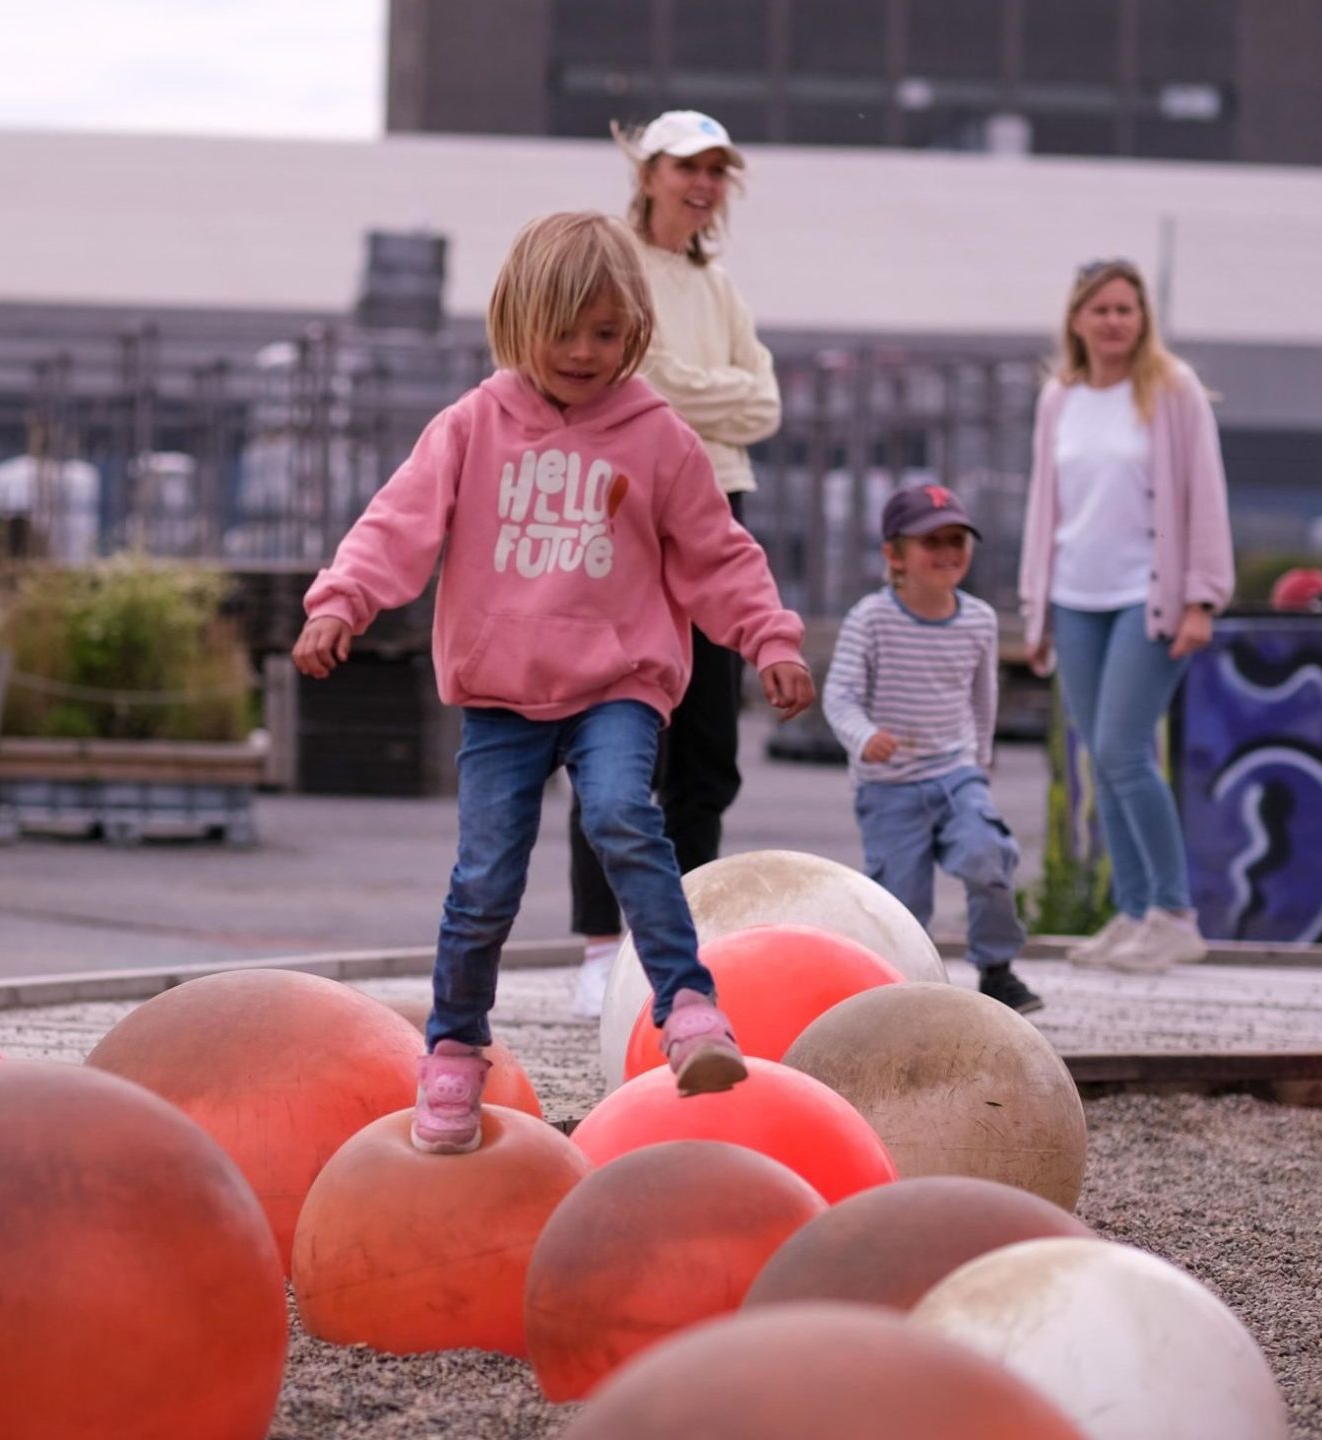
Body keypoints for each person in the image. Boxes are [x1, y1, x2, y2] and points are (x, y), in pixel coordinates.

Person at [295, 211, 815, 1154]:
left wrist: (770, 640)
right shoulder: (472, 426)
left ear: (637, 335)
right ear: (517, 321)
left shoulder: (657, 438)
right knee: (486, 877)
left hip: (617, 679)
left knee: (622, 812)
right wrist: (343, 602)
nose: (585, 352)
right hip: (502, 694)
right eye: (565, 331)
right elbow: (395, 525)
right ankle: (455, 1049)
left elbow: (717, 557)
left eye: (608, 334)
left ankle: (689, 1009)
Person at [566, 108, 786, 1020]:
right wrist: (706, 395)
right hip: (628, 505)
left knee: (706, 743)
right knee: (614, 730)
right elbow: (629, 380)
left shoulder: (719, 284)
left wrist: (691, 395)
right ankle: (596, 942)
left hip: (719, 503)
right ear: (648, 170)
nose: (702, 185)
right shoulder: (611, 264)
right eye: (687, 167)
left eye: (716, 171)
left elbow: (764, 402)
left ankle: (677, 937)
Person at [1020, 258, 1234, 974]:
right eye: (1100, 309)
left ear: (1143, 319)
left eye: (1126, 309)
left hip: (1149, 599)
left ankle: (1175, 913)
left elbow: (1204, 493)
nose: (1114, 321)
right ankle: (1136, 910)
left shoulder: (1172, 392)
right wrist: (1037, 606)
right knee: (1099, 759)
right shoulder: (1059, 396)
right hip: (1076, 596)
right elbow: (1044, 506)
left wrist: (1200, 597)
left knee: (1122, 749)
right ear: (1077, 318)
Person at [823, 484, 1042, 1014]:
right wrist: (863, 736)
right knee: (901, 902)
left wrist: (979, 762)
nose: (948, 553)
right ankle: (903, 991)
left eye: (958, 540)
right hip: (889, 786)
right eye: (932, 541)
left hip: (956, 773)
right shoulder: (870, 619)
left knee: (988, 856)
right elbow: (840, 695)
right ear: (895, 555)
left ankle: (997, 968)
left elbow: (983, 696)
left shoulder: (979, 621)